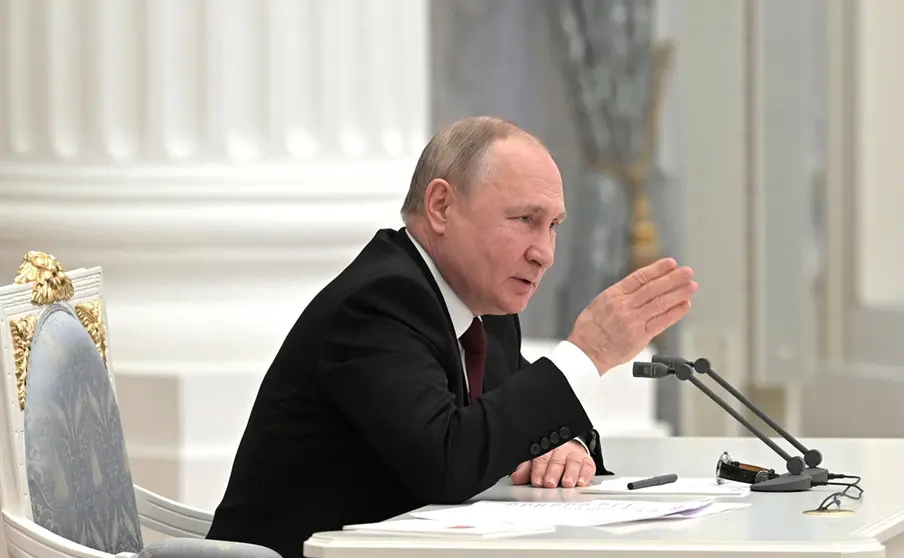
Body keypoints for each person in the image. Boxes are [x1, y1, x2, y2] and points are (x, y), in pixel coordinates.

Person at [206, 116, 697, 557]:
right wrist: (587, 353)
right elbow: (447, 463)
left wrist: (567, 446)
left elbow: (514, 419)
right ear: (441, 206)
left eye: (553, 227)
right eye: (525, 220)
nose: (544, 253)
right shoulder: (379, 302)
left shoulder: (485, 308)